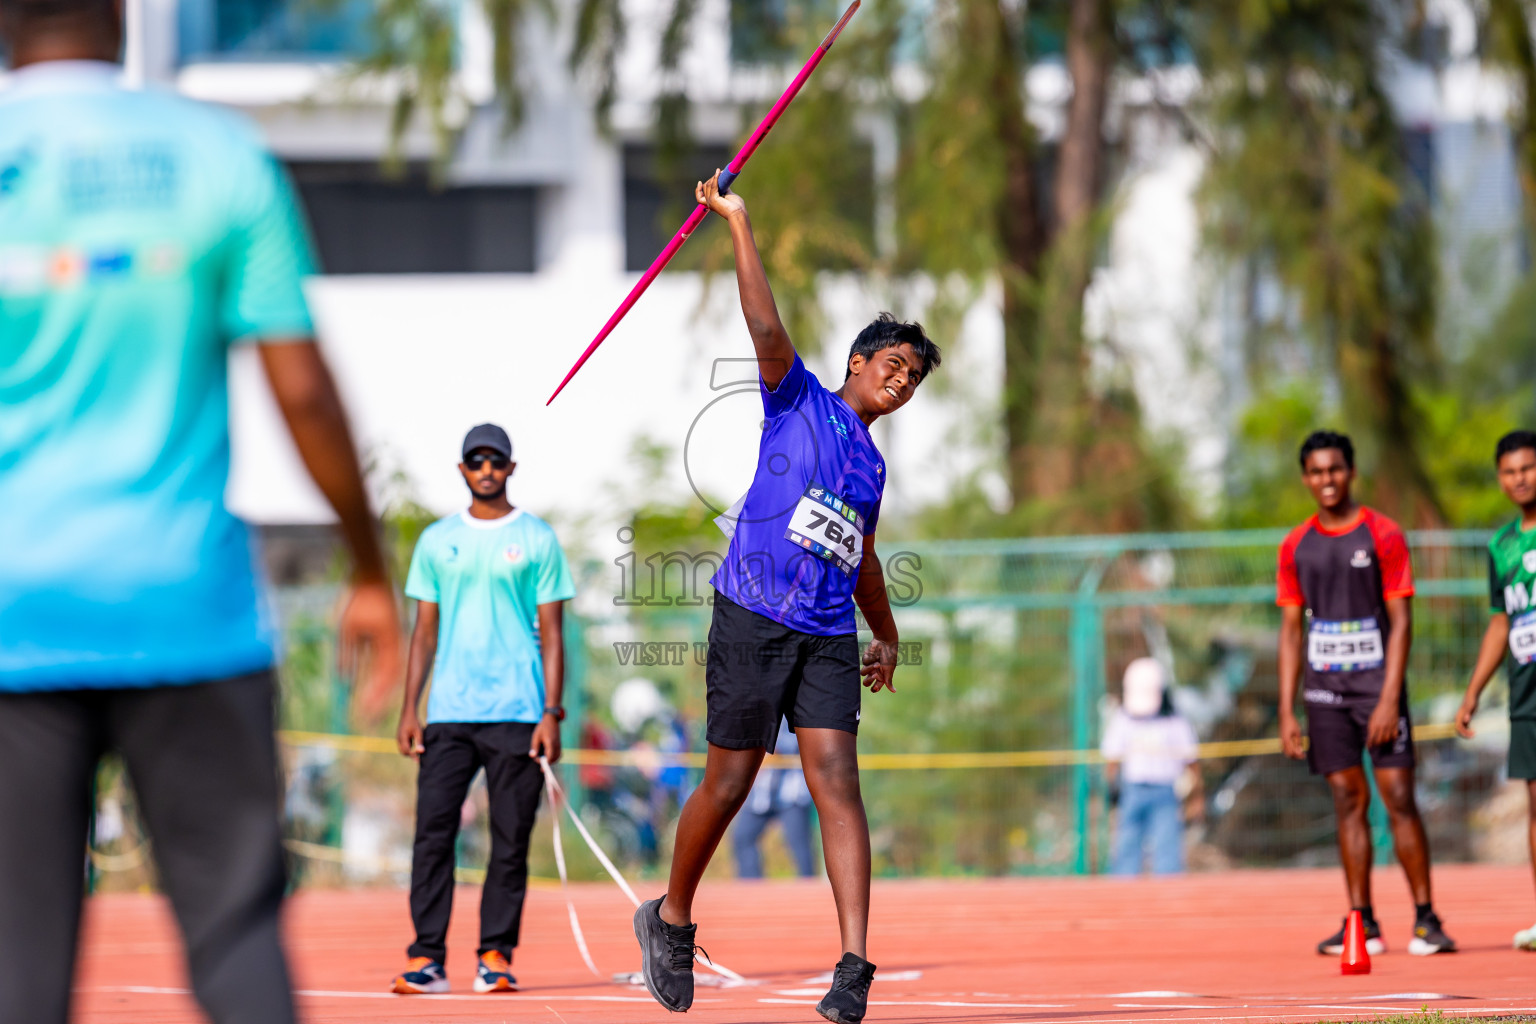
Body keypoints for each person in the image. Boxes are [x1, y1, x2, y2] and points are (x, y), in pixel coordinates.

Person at [0, 2, 403, 1021]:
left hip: (13, 617)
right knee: (234, 936)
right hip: (189, 608)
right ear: (124, 18)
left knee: (16, 962)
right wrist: (365, 565)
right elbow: (303, 390)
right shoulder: (217, 154)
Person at [632, 171, 941, 1024]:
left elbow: (864, 555)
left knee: (837, 779)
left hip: (826, 636)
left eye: (913, 377)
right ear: (857, 361)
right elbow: (764, 321)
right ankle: (671, 916)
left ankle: (853, 968)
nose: (902, 382)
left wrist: (885, 634)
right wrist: (737, 220)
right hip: (752, 616)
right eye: (893, 365)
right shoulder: (797, 398)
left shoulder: (873, 467)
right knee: (728, 784)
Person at [391, 423, 576, 995]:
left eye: (496, 459)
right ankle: (427, 958)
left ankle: (495, 954)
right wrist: (409, 708)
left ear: (511, 468)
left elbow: (552, 632)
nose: (487, 468)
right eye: (476, 460)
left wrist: (551, 712)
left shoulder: (538, 538)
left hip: (519, 712)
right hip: (447, 711)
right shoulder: (436, 540)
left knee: (509, 838)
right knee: (432, 835)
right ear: (463, 470)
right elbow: (423, 633)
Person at [1276, 430, 1454, 956]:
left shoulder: (1383, 534)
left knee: (1399, 796)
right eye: (1315, 472)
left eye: (1334, 470)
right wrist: (1288, 710)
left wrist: (1387, 699)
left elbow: (1402, 623)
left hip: (1379, 690)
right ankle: (1362, 922)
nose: (1325, 480)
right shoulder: (1295, 546)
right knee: (1347, 800)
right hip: (1325, 694)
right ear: (1305, 478)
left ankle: (1426, 920)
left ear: (1350, 472)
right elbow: (1290, 632)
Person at [1455, 430, 1536, 950]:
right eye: (1509, 471)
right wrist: (1472, 693)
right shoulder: (1501, 545)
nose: (1520, 478)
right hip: (1527, 694)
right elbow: (1499, 623)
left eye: (1528, 468)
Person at [1101, 659, 1199, 876]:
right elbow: (1112, 758)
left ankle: (1168, 901)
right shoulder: (1123, 719)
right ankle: (1122, 896)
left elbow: (1191, 759)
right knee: (1126, 845)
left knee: (1167, 848)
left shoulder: (1174, 721)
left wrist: (1196, 796)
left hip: (1165, 791)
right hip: (1133, 789)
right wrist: (1110, 789)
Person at [733, 719, 817, 878]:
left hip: (792, 793)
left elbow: (805, 741)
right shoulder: (758, 706)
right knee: (742, 836)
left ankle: (809, 891)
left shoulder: (795, 708)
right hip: (760, 795)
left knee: (800, 846)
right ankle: (751, 891)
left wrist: (773, 745)